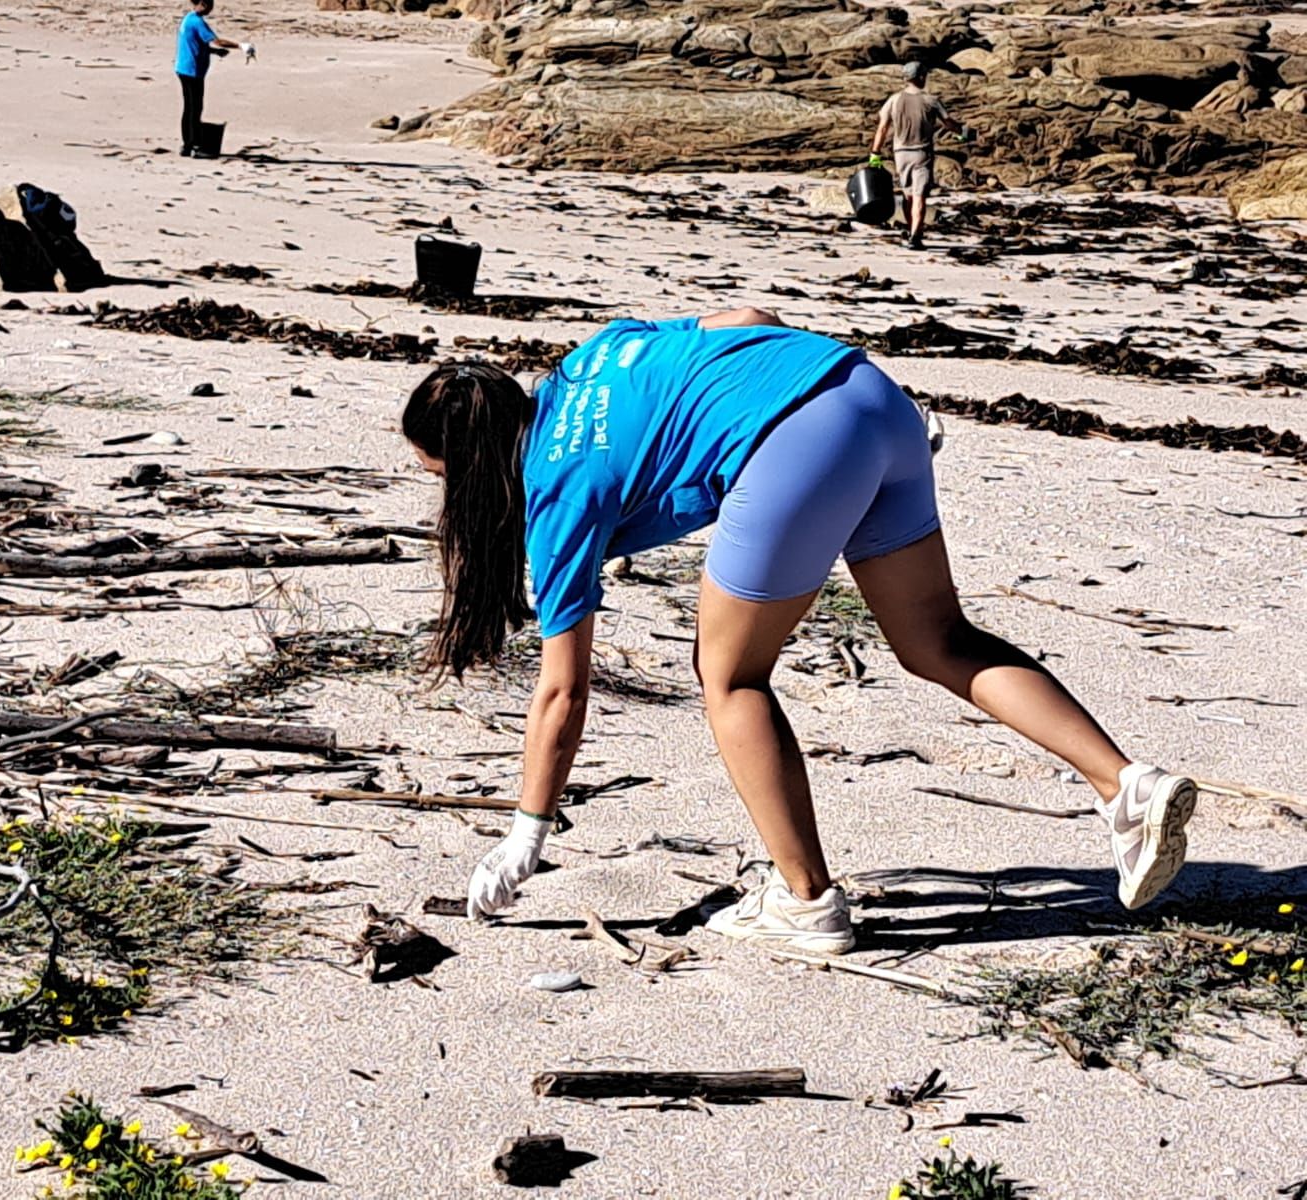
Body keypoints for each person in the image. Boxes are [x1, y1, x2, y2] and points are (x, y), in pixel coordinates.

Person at [401, 310, 1197, 952]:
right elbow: (747, 316)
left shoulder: (554, 491)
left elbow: (562, 691)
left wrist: (525, 835)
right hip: (868, 395)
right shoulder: (596, 353)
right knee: (938, 641)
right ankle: (1126, 785)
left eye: (438, 481)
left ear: (469, 469)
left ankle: (807, 902)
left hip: (795, 446)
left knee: (730, 675)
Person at [869, 62, 967, 249]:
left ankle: (910, 229)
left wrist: (875, 153)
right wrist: (963, 132)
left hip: (900, 154)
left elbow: (882, 128)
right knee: (920, 195)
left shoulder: (894, 100)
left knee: (908, 196)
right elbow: (950, 124)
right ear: (922, 77)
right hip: (922, 153)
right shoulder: (931, 100)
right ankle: (915, 236)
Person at [175, 0, 242, 159]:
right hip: (192, 71)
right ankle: (193, 144)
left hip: (184, 68)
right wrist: (241, 46)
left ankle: (188, 144)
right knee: (195, 108)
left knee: (190, 107)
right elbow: (217, 41)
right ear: (203, 4)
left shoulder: (188, 18)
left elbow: (196, 43)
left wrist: (214, 52)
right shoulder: (197, 22)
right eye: (210, 6)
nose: (211, 10)